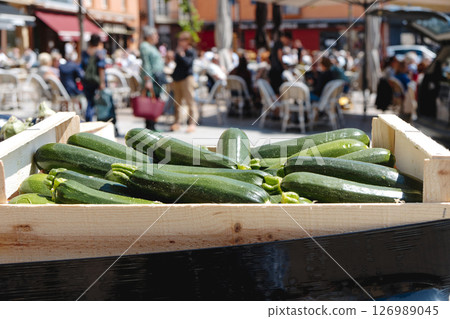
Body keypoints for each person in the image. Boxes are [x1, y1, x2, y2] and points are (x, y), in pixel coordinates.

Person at [139, 26, 166, 130]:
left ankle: (153, 125)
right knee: (150, 101)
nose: (157, 36)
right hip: (152, 78)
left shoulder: (151, 46)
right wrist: (148, 79)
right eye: (155, 34)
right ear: (149, 36)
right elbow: (146, 64)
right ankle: (150, 127)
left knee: (155, 101)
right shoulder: (145, 46)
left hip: (157, 78)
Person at [171, 31, 198, 133]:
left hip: (187, 79)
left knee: (190, 101)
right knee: (177, 102)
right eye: (179, 40)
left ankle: (192, 123)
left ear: (187, 41)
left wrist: (182, 55)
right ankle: (177, 122)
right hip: (178, 78)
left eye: (182, 40)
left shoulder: (191, 51)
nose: (180, 42)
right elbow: (177, 63)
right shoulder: (179, 51)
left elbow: (188, 63)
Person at [81, 34, 106, 122]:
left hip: (87, 80)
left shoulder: (84, 52)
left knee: (89, 101)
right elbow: (101, 68)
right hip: (96, 80)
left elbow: (81, 66)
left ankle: (88, 118)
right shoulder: (100, 52)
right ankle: (100, 119)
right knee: (98, 101)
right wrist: (102, 82)